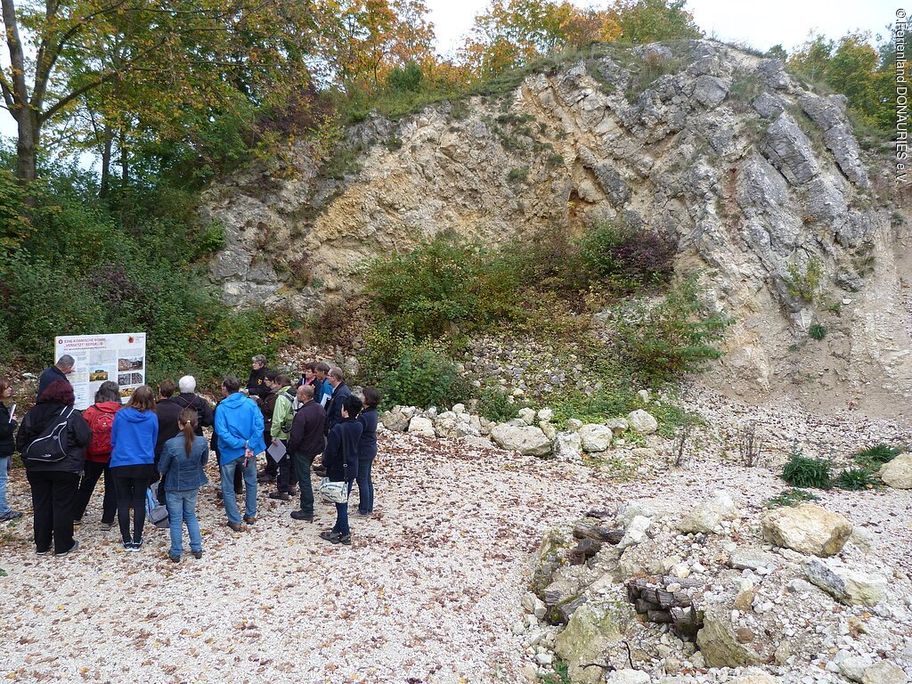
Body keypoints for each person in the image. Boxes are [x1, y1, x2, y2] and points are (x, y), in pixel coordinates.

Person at [16, 380, 90, 555]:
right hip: (65, 466)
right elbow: (84, 438)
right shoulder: (71, 414)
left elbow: (20, 442)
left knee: (41, 504)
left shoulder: (32, 414)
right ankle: (63, 545)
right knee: (62, 505)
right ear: (69, 396)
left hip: (36, 467)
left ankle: (42, 544)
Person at [110, 385, 159, 550]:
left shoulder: (121, 415)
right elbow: (153, 440)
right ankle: (137, 539)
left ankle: (126, 539)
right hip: (143, 462)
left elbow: (114, 438)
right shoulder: (152, 417)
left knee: (122, 501)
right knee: (139, 501)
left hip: (121, 461)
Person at [214, 375, 265, 532]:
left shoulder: (222, 408)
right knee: (250, 481)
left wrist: (239, 444)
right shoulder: (250, 404)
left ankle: (234, 520)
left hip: (230, 452)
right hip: (248, 450)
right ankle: (250, 514)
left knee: (228, 486)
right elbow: (259, 425)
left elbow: (221, 432)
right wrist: (250, 443)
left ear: (225, 389)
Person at [158, 408, 208, 563]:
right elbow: (204, 462)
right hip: (193, 483)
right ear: (195, 424)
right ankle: (197, 547)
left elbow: (162, 468)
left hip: (174, 485)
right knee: (191, 515)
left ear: (179, 423)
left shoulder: (171, 444)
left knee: (176, 518)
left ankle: (176, 551)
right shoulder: (201, 442)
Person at [72, 381, 120, 528]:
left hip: (92, 456)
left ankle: (76, 515)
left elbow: (82, 433)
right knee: (112, 487)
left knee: (86, 485)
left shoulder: (90, 411)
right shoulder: (121, 411)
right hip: (113, 456)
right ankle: (107, 519)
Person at [319, 394, 363, 545]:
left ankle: (345, 533)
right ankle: (336, 530)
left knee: (341, 503)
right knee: (343, 498)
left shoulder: (338, 429)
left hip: (339, 469)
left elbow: (330, 452)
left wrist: (324, 463)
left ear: (345, 410)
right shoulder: (359, 425)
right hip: (352, 467)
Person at [287, 384, 325, 522]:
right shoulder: (320, 408)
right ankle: (306, 506)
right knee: (304, 476)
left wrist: (289, 450)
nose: (296, 396)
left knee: (304, 479)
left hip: (303, 450)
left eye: (298, 394)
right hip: (315, 447)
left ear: (304, 396)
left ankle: (307, 509)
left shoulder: (302, 414)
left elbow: (296, 437)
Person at [268, 374, 297, 501]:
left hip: (282, 434)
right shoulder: (296, 395)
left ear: (279, 384)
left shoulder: (281, 398)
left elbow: (278, 418)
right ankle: (291, 485)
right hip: (293, 433)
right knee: (291, 461)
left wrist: (273, 435)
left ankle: (283, 489)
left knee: (282, 462)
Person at [153, 379, 182, 503]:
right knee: (168, 474)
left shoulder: (154, 410)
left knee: (154, 474)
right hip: (173, 447)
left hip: (156, 446)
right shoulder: (180, 410)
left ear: (160, 391)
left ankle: (153, 497)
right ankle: (164, 496)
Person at [0, 379, 22, 522]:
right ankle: (3, 511)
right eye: (6, 387)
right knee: (1, 480)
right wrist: (12, 422)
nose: (9, 389)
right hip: (1, 449)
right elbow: (3, 430)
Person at [356, 387, 380, 516]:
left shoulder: (365, 416)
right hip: (370, 448)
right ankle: (368, 506)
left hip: (364, 450)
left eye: (362, 395)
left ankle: (364, 509)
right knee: (367, 478)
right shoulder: (372, 413)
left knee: (362, 479)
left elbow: (357, 432)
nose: (360, 396)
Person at [256, 371, 279, 484]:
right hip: (267, 424)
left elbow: (269, 410)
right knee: (268, 449)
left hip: (270, 425)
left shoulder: (275, 395)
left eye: (266, 380)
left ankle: (272, 472)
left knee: (272, 450)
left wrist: (259, 401)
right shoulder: (269, 393)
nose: (264, 382)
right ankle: (269, 469)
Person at [324, 367, 352, 433]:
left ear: (334, 378)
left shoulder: (341, 394)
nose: (326, 377)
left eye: (328, 375)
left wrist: (331, 428)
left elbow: (338, 415)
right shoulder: (339, 390)